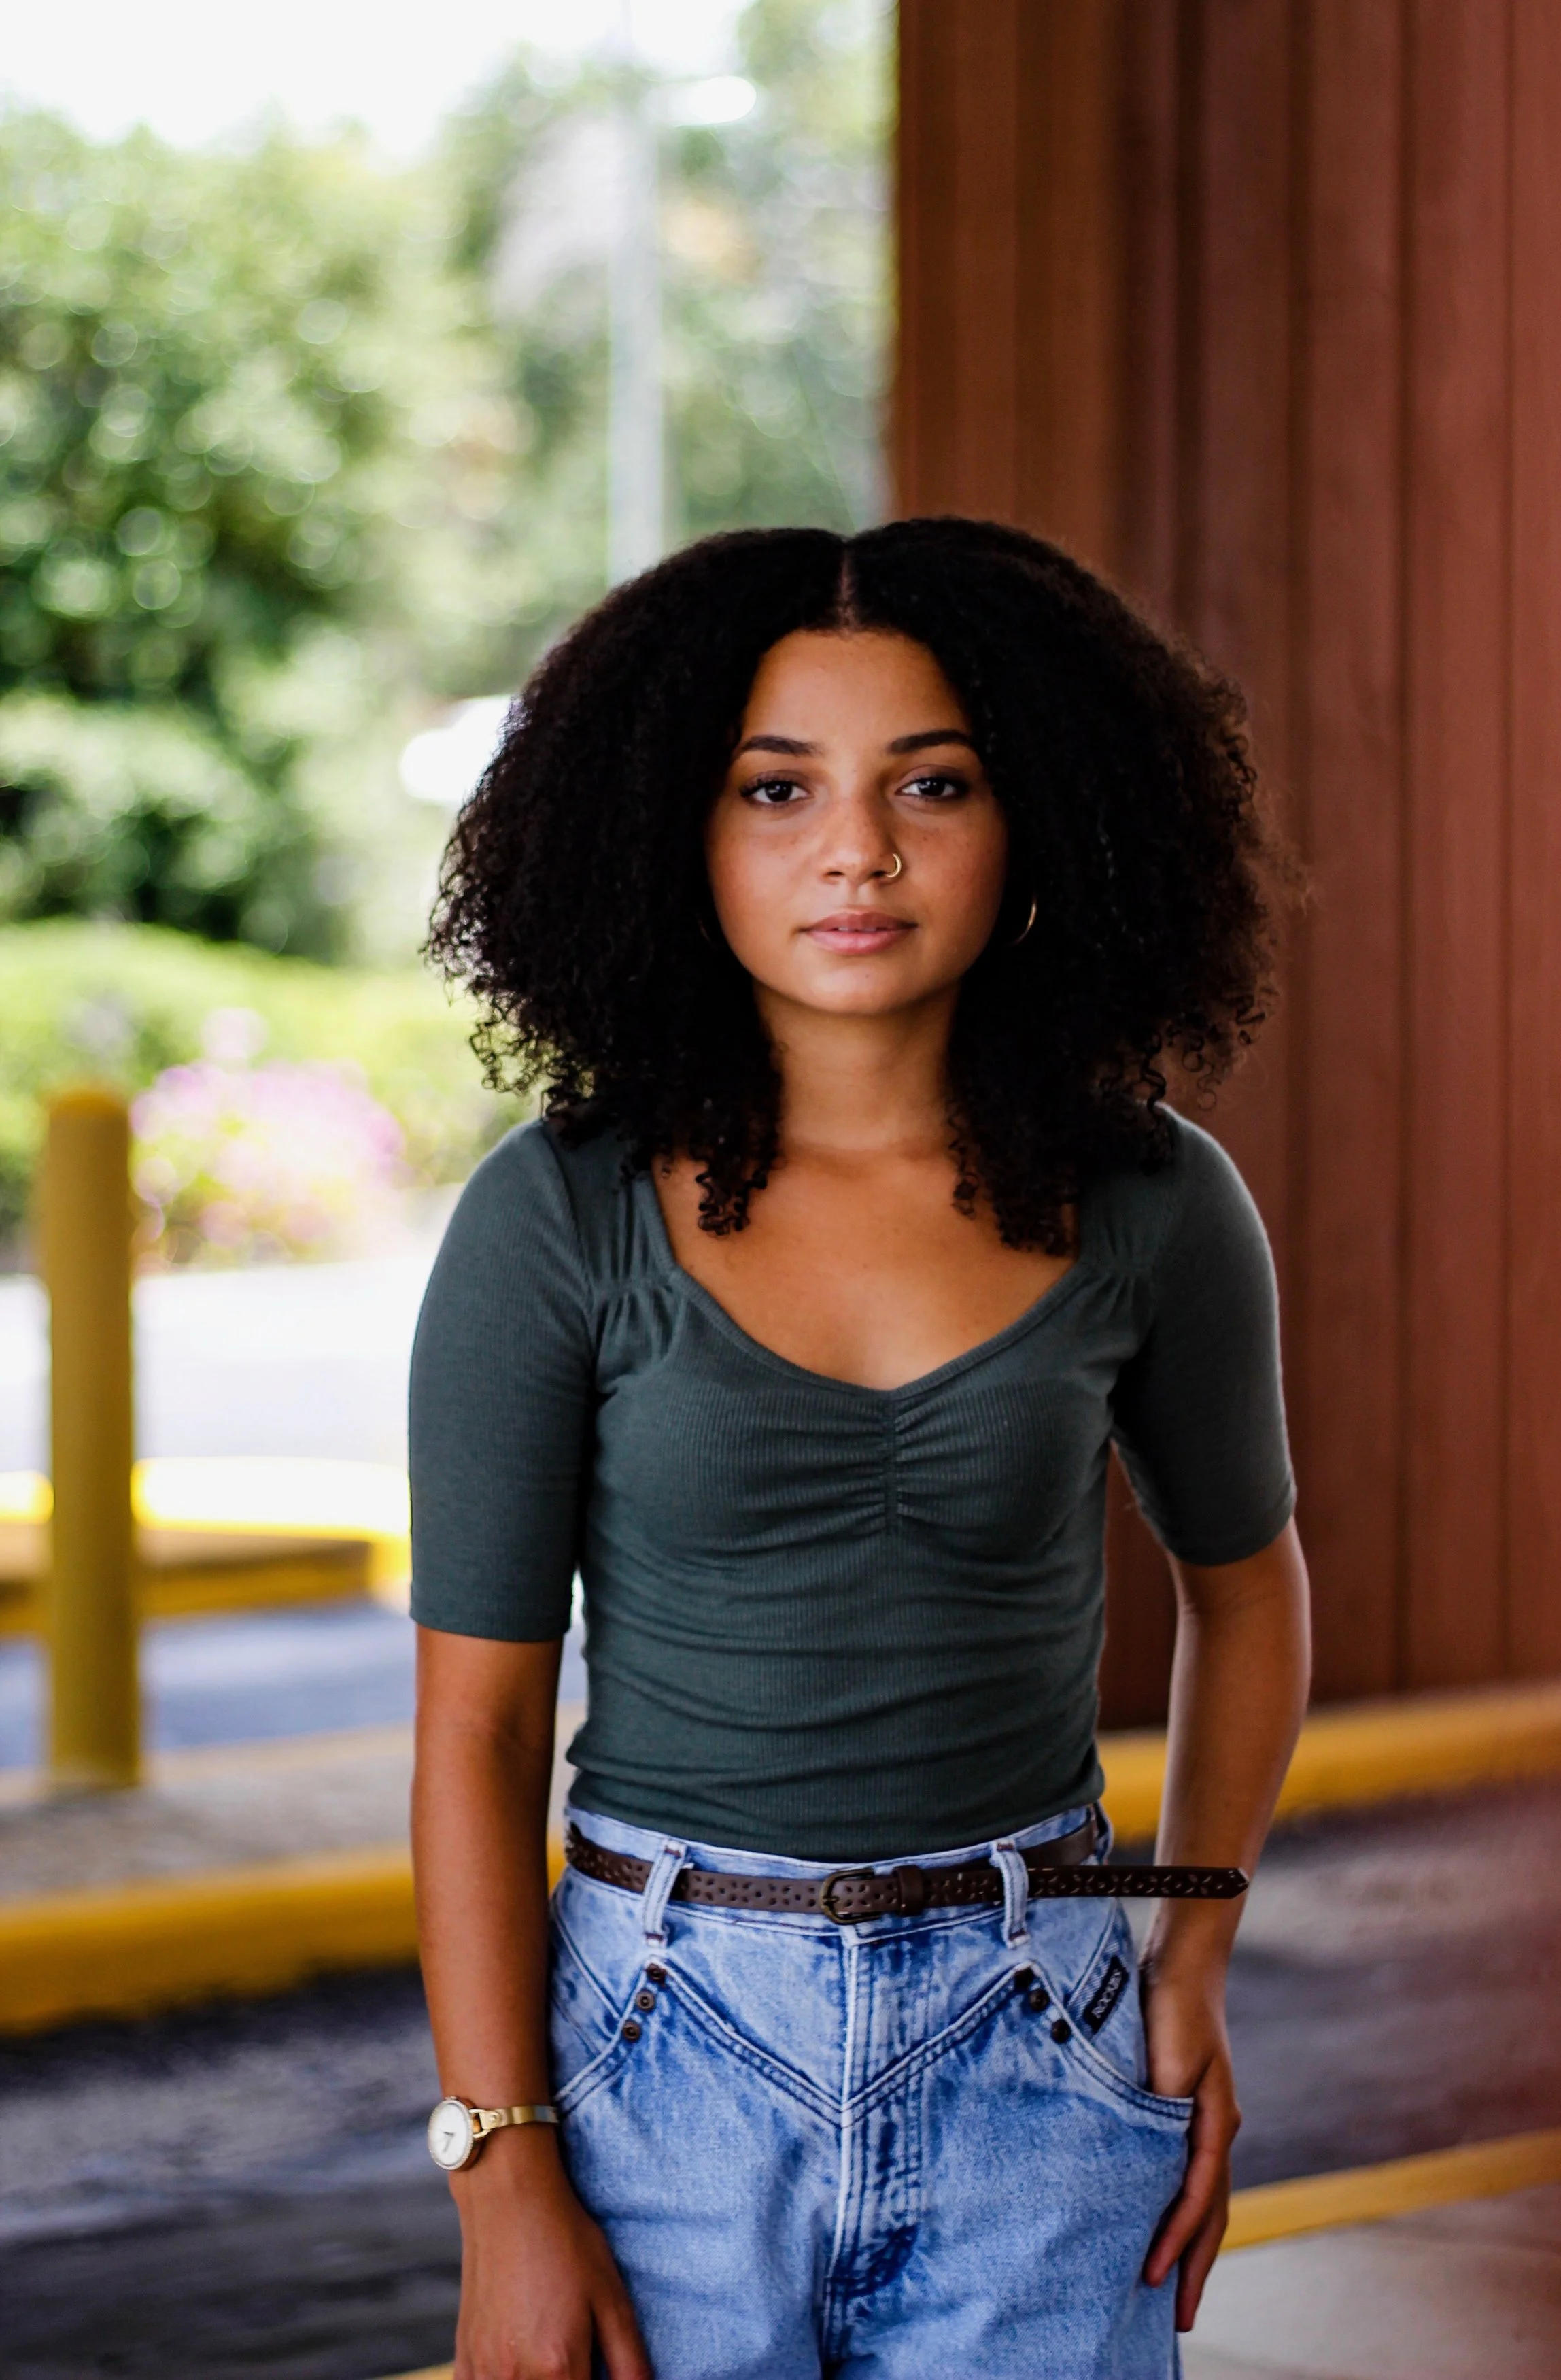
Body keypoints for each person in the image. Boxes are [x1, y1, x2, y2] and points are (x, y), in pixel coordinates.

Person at [408, 517, 1311, 2380]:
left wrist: (1192, 1953)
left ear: (1037, 812)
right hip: (660, 2039)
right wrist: (503, 2175)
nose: (856, 848)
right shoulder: (554, 1216)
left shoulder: (1151, 1197)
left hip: (1038, 2025)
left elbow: (1251, 1595)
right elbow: (478, 1726)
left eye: (932, 781)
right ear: (676, 825)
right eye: (774, 786)